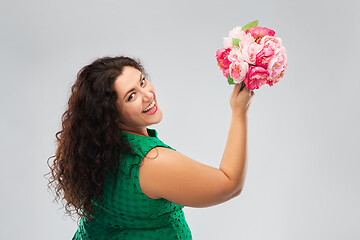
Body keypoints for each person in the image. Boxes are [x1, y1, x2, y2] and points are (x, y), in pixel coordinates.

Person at [46, 56, 254, 240]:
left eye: (142, 82)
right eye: (131, 96)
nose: (147, 95)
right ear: (111, 114)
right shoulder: (151, 162)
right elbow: (230, 184)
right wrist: (239, 111)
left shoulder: (95, 151)